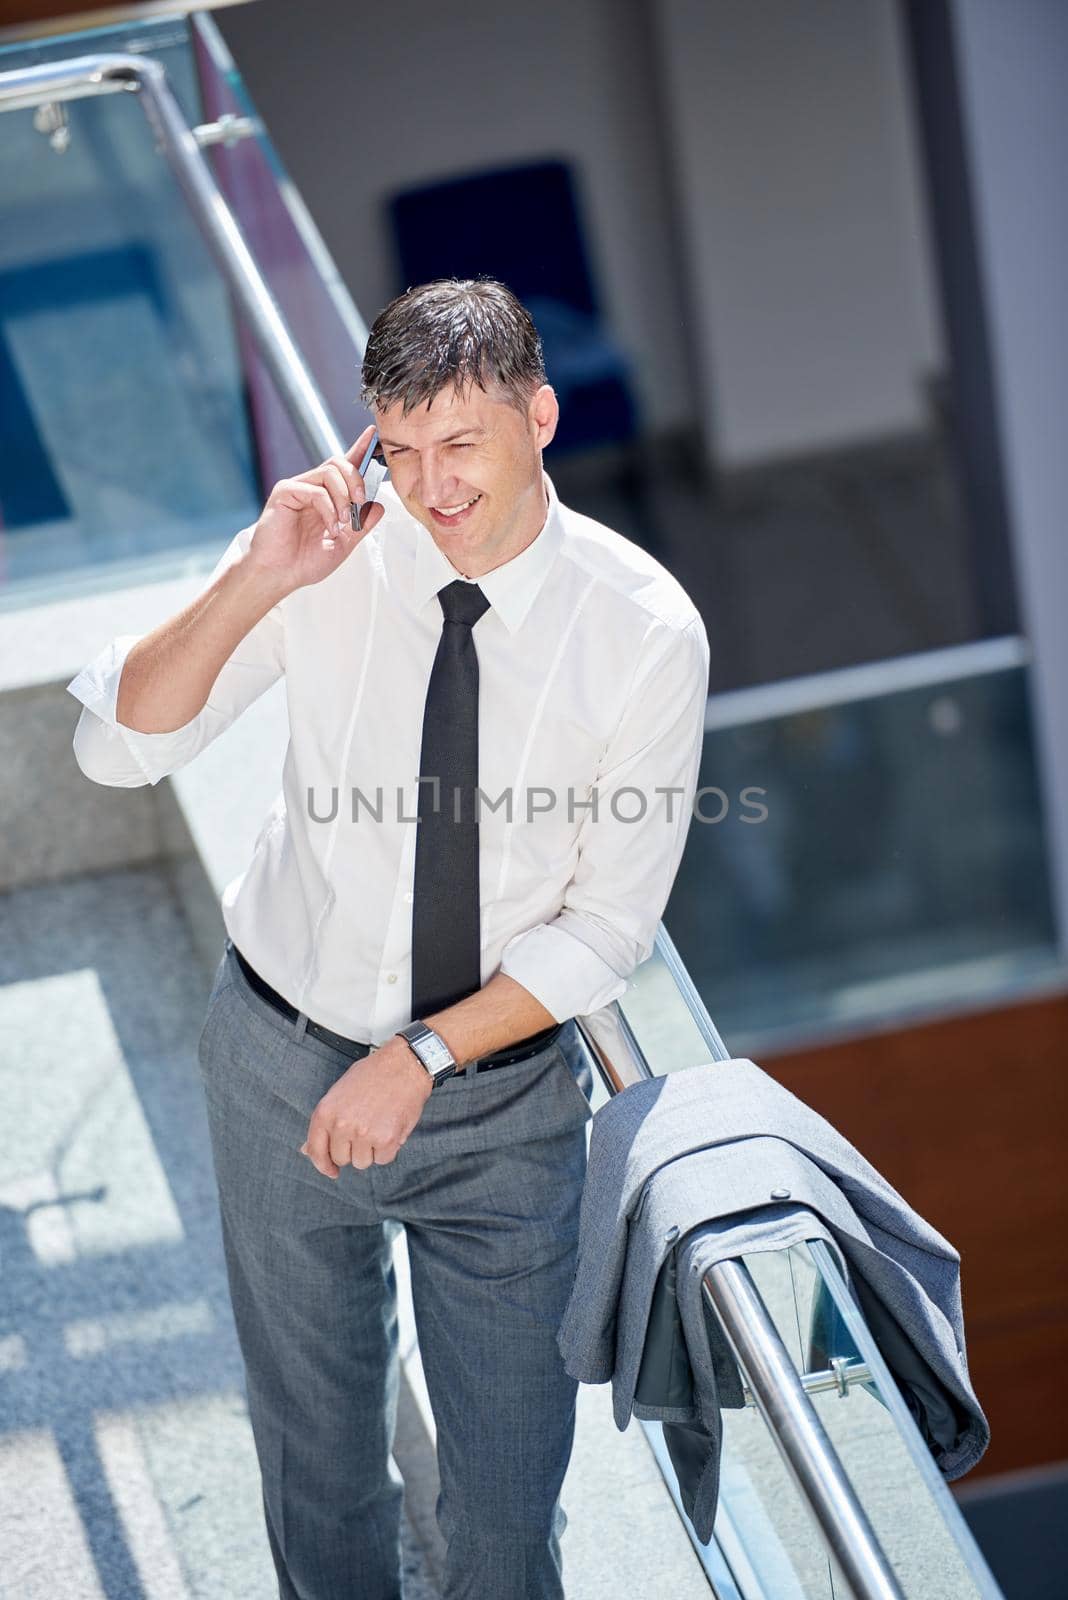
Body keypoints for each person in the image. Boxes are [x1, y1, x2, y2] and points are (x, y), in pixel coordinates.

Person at [67, 278, 710, 1600]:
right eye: (399, 450)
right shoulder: (334, 557)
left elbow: (607, 927)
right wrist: (256, 577)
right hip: (274, 1060)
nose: (430, 487)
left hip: (499, 1110)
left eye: (461, 445)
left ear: (538, 417)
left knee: (502, 1511)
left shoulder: (643, 634)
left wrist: (420, 1052)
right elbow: (117, 747)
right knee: (319, 1466)